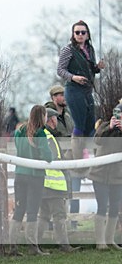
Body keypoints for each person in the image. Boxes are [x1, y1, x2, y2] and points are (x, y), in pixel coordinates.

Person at [57, 20, 106, 162]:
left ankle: (93, 157)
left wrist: (97, 67)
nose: (80, 35)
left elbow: (92, 70)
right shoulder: (68, 50)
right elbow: (60, 70)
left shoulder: (90, 49)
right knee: (79, 124)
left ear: (87, 34)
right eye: (77, 32)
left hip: (87, 89)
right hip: (73, 90)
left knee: (91, 125)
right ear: (73, 34)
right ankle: (77, 161)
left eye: (82, 32)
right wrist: (73, 77)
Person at [10, 105, 53, 255]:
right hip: (35, 176)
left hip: (20, 175)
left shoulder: (19, 131)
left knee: (19, 211)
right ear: (42, 116)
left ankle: (12, 246)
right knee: (33, 211)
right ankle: (33, 246)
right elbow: (48, 157)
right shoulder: (40, 133)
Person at [38, 108, 77, 252]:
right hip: (54, 184)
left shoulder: (44, 135)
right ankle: (64, 245)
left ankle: (35, 244)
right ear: (51, 119)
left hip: (44, 183)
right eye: (55, 119)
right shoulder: (48, 137)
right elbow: (54, 158)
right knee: (59, 215)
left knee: (43, 216)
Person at [88, 100, 122, 250]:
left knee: (115, 207)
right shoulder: (104, 125)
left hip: (118, 176)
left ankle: (110, 240)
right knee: (102, 206)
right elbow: (97, 140)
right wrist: (109, 128)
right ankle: (100, 241)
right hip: (100, 174)